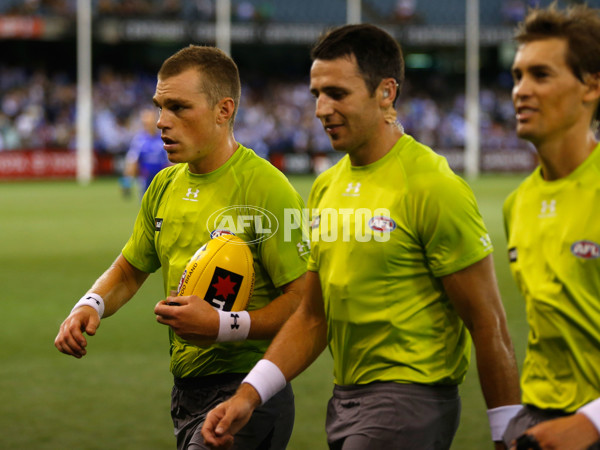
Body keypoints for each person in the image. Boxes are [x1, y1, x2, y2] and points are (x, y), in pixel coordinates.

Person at [201, 24, 521, 450]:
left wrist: (506, 431)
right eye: (316, 93)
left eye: (336, 93)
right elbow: (313, 317)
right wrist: (248, 394)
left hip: (412, 401)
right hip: (346, 401)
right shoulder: (325, 187)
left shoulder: (432, 185)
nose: (320, 108)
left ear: (386, 93)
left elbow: (488, 321)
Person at [54, 45, 309, 450]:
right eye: (159, 107)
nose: (161, 122)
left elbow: (303, 304)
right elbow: (129, 269)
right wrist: (89, 304)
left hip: (250, 392)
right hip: (186, 392)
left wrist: (222, 327)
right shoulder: (164, 185)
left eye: (178, 108)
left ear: (224, 110)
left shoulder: (267, 188)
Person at [501, 4, 600, 450]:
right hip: (538, 421)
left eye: (541, 75)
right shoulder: (516, 203)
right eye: (518, 76)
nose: (521, 90)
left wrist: (591, 423)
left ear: (591, 86)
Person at [123, 106, 171, 200]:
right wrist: (127, 182)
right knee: (147, 206)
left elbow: (170, 161)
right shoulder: (139, 140)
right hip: (145, 180)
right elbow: (132, 161)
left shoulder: (163, 138)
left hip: (162, 179)